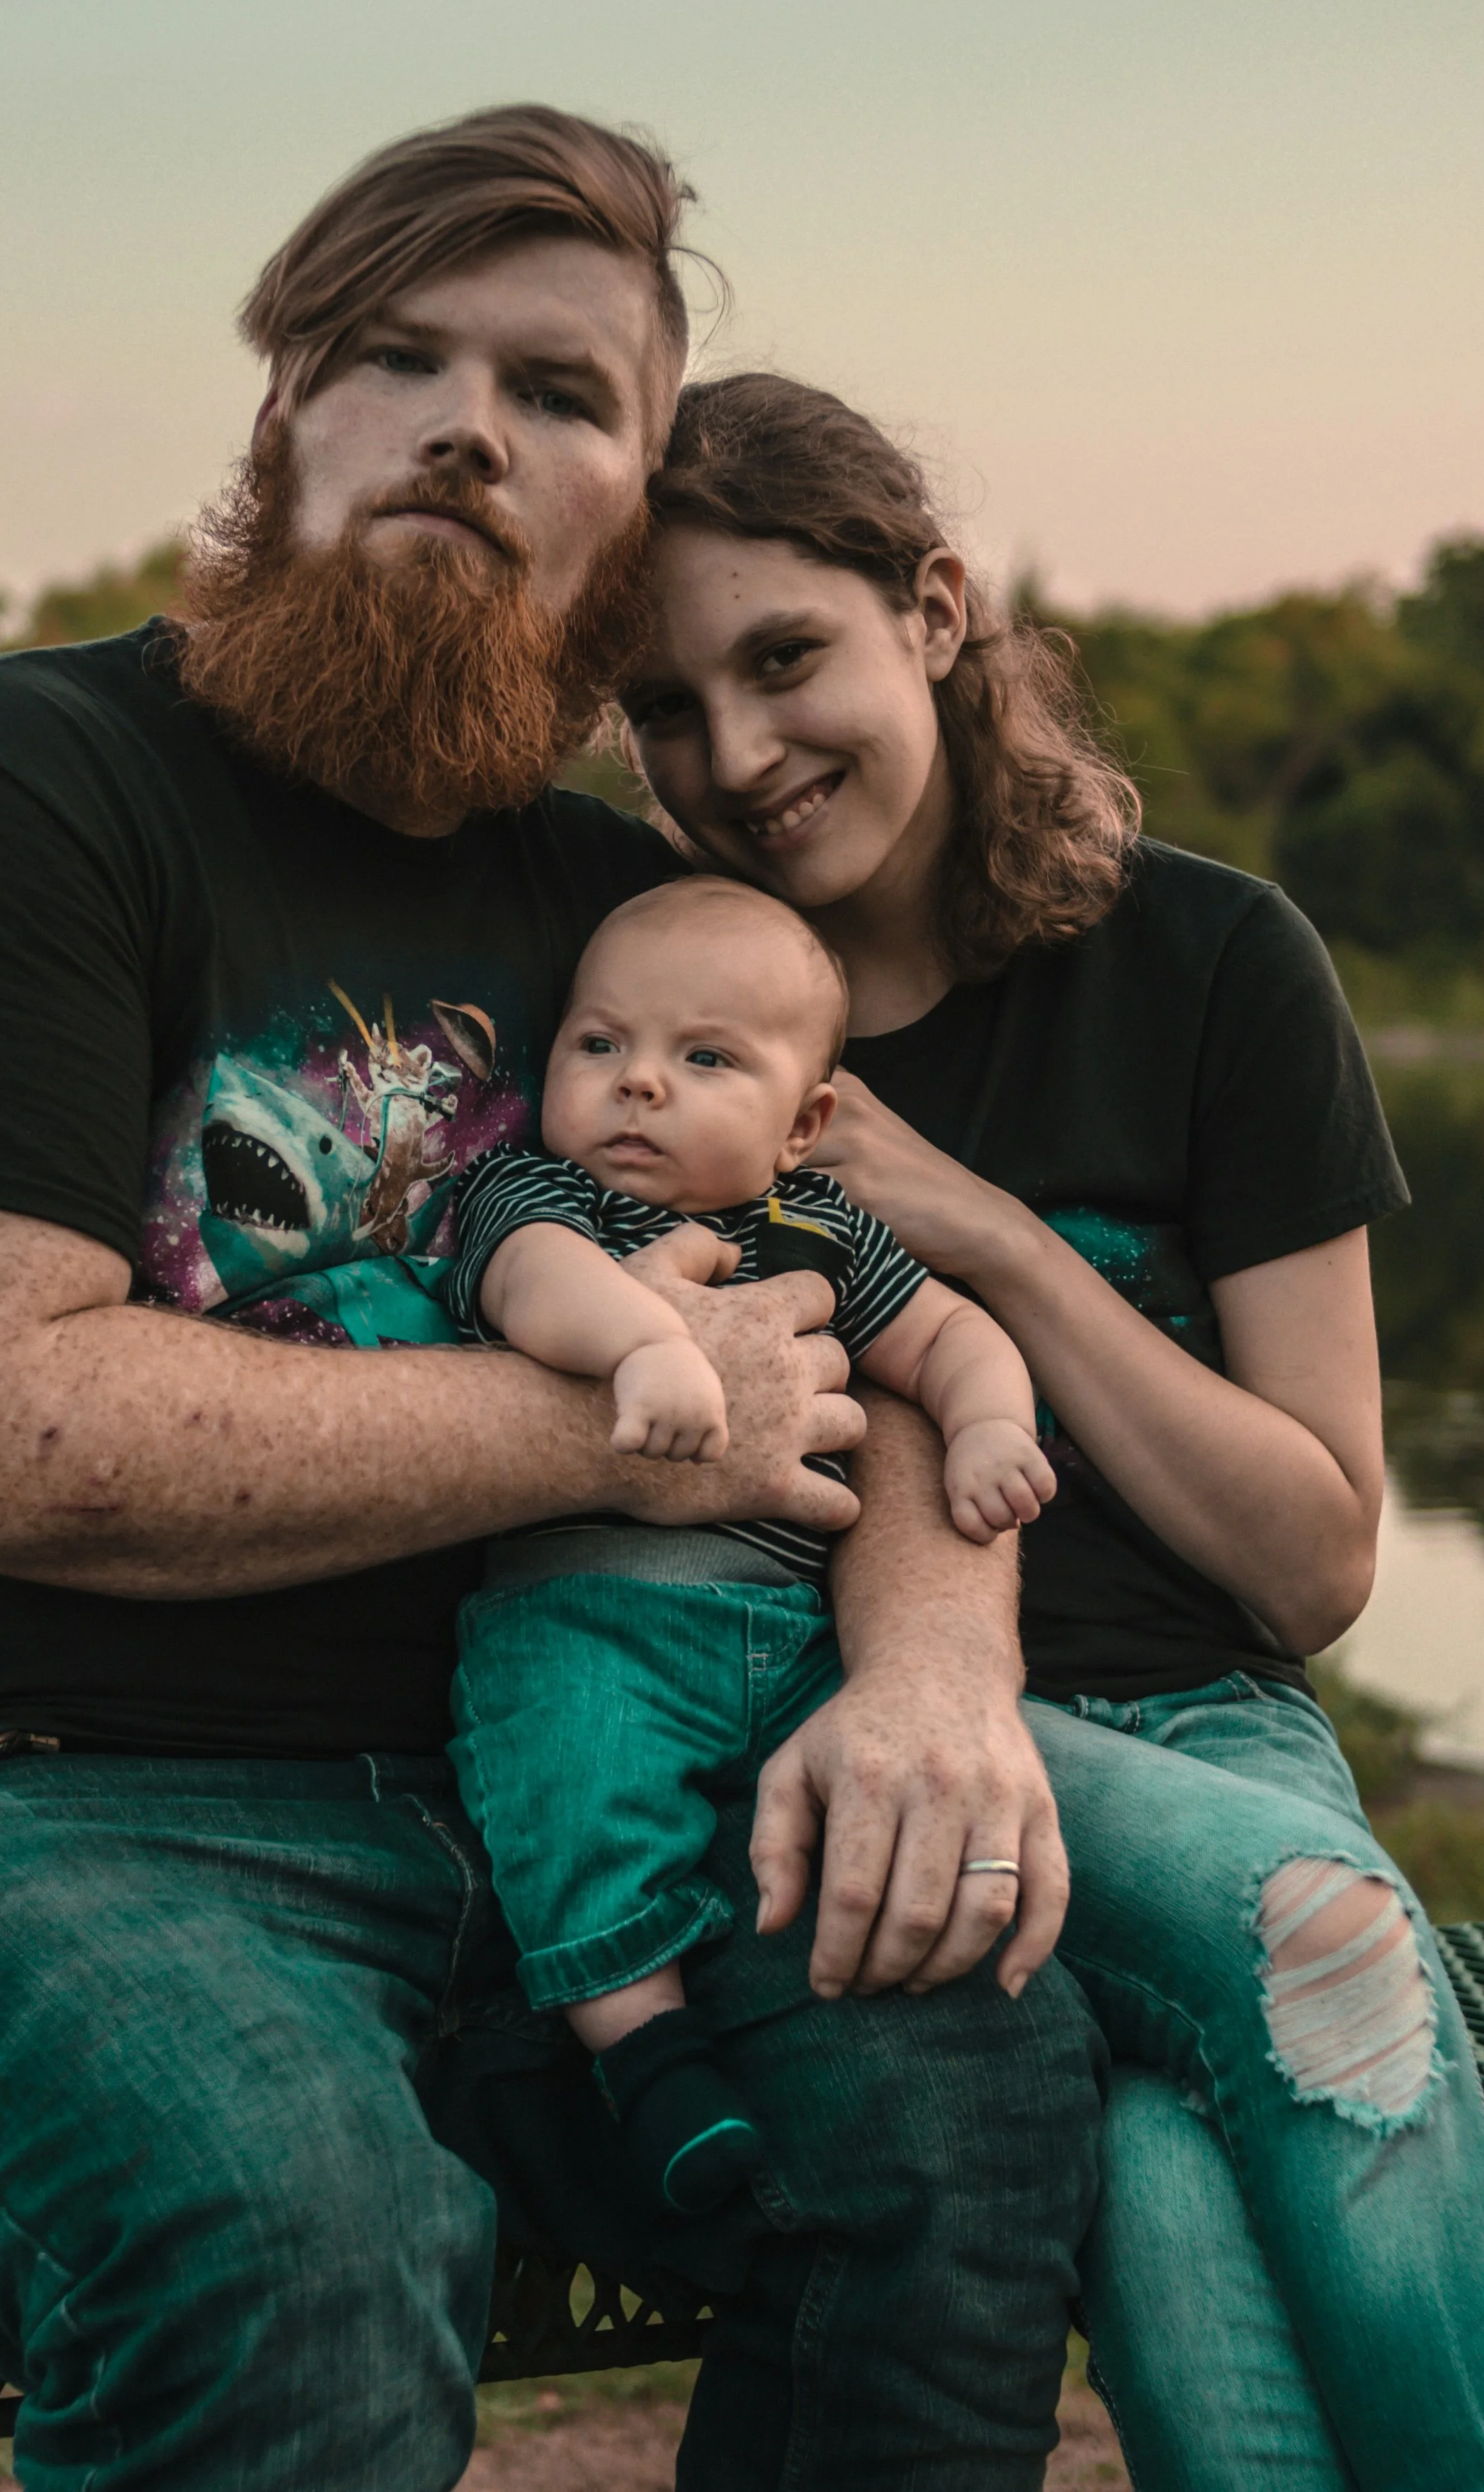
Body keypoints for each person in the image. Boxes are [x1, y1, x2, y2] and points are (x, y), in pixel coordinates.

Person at [0, 112, 1104, 2491]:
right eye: (396, 356)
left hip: (564, 1814)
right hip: (17, 1820)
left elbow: (864, 1336)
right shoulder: (9, 785)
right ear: (284, 418)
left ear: (629, 524)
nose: (472, 425)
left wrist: (925, 1668)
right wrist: (608, 1425)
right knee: (290, 2229)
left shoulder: (638, 927)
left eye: (568, 394)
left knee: (966, 2110)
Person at [618, 367, 1484, 2491]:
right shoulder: (655, 1023)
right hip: (846, 1732)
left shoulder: (1212, 964)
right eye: (666, 707)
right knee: (1319, 1926)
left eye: (785, 659)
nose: (738, 759)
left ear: (932, 606)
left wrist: (1002, 1248)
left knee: (1174, 2195)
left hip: (1209, 1723)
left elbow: (1310, 1564)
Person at [441, 874, 1054, 2213]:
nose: (637, 1086)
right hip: (587, 1612)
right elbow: (532, 1287)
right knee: (572, 1785)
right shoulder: (544, 1193)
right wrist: (647, 1344)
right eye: (598, 1046)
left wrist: (989, 1423)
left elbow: (946, 1333)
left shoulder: (823, 1230)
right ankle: (646, 2053)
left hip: (801, 1633)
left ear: (806, 1123)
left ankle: (851, 1992)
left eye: (703, 1058)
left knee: (877, 1797)